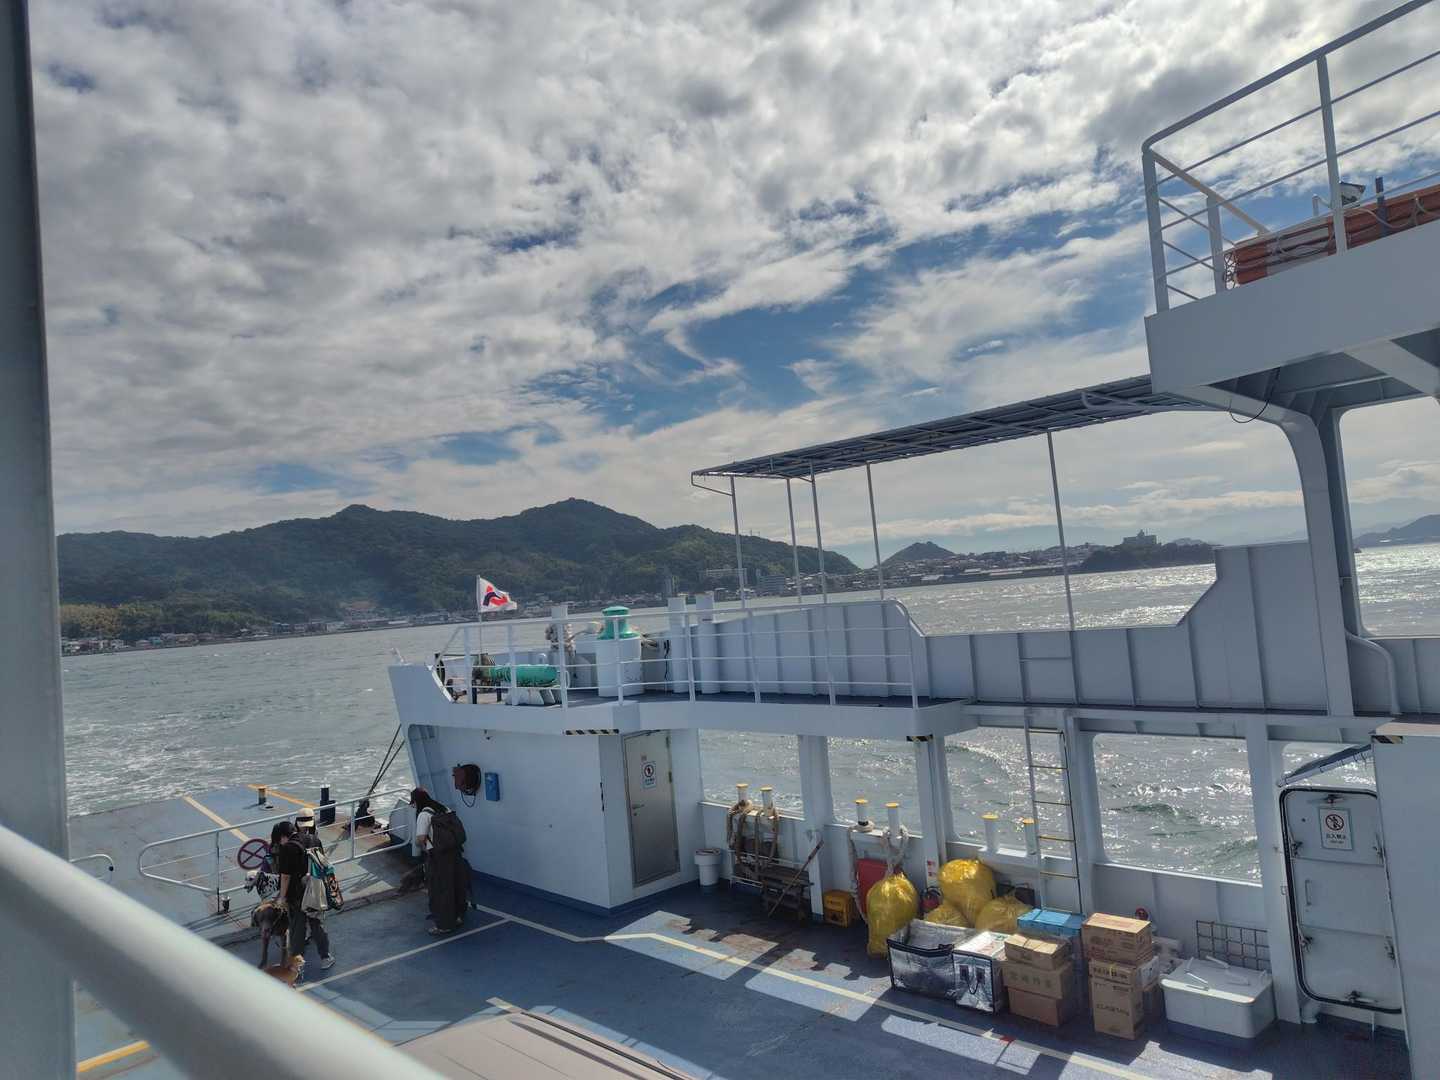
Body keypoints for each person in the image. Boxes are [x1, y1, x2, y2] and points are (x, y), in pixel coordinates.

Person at [410, 787, 468, 936]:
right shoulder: (444, 808)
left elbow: (421, 838)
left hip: (438, 857)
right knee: (456, 885)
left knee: (441, 890)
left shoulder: (424, 815)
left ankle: (444, 925)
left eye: (413, 803)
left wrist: (417, 845)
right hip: (455, 853)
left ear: (417, 801)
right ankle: (459, 916)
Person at [293, 809, 335, 971]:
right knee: (316, 924)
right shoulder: (315, 841)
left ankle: (296, 964)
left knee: (298, 927)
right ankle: (325, 957)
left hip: (296, 890)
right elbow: (323, 864)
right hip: (313, 889)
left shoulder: (292, 842)